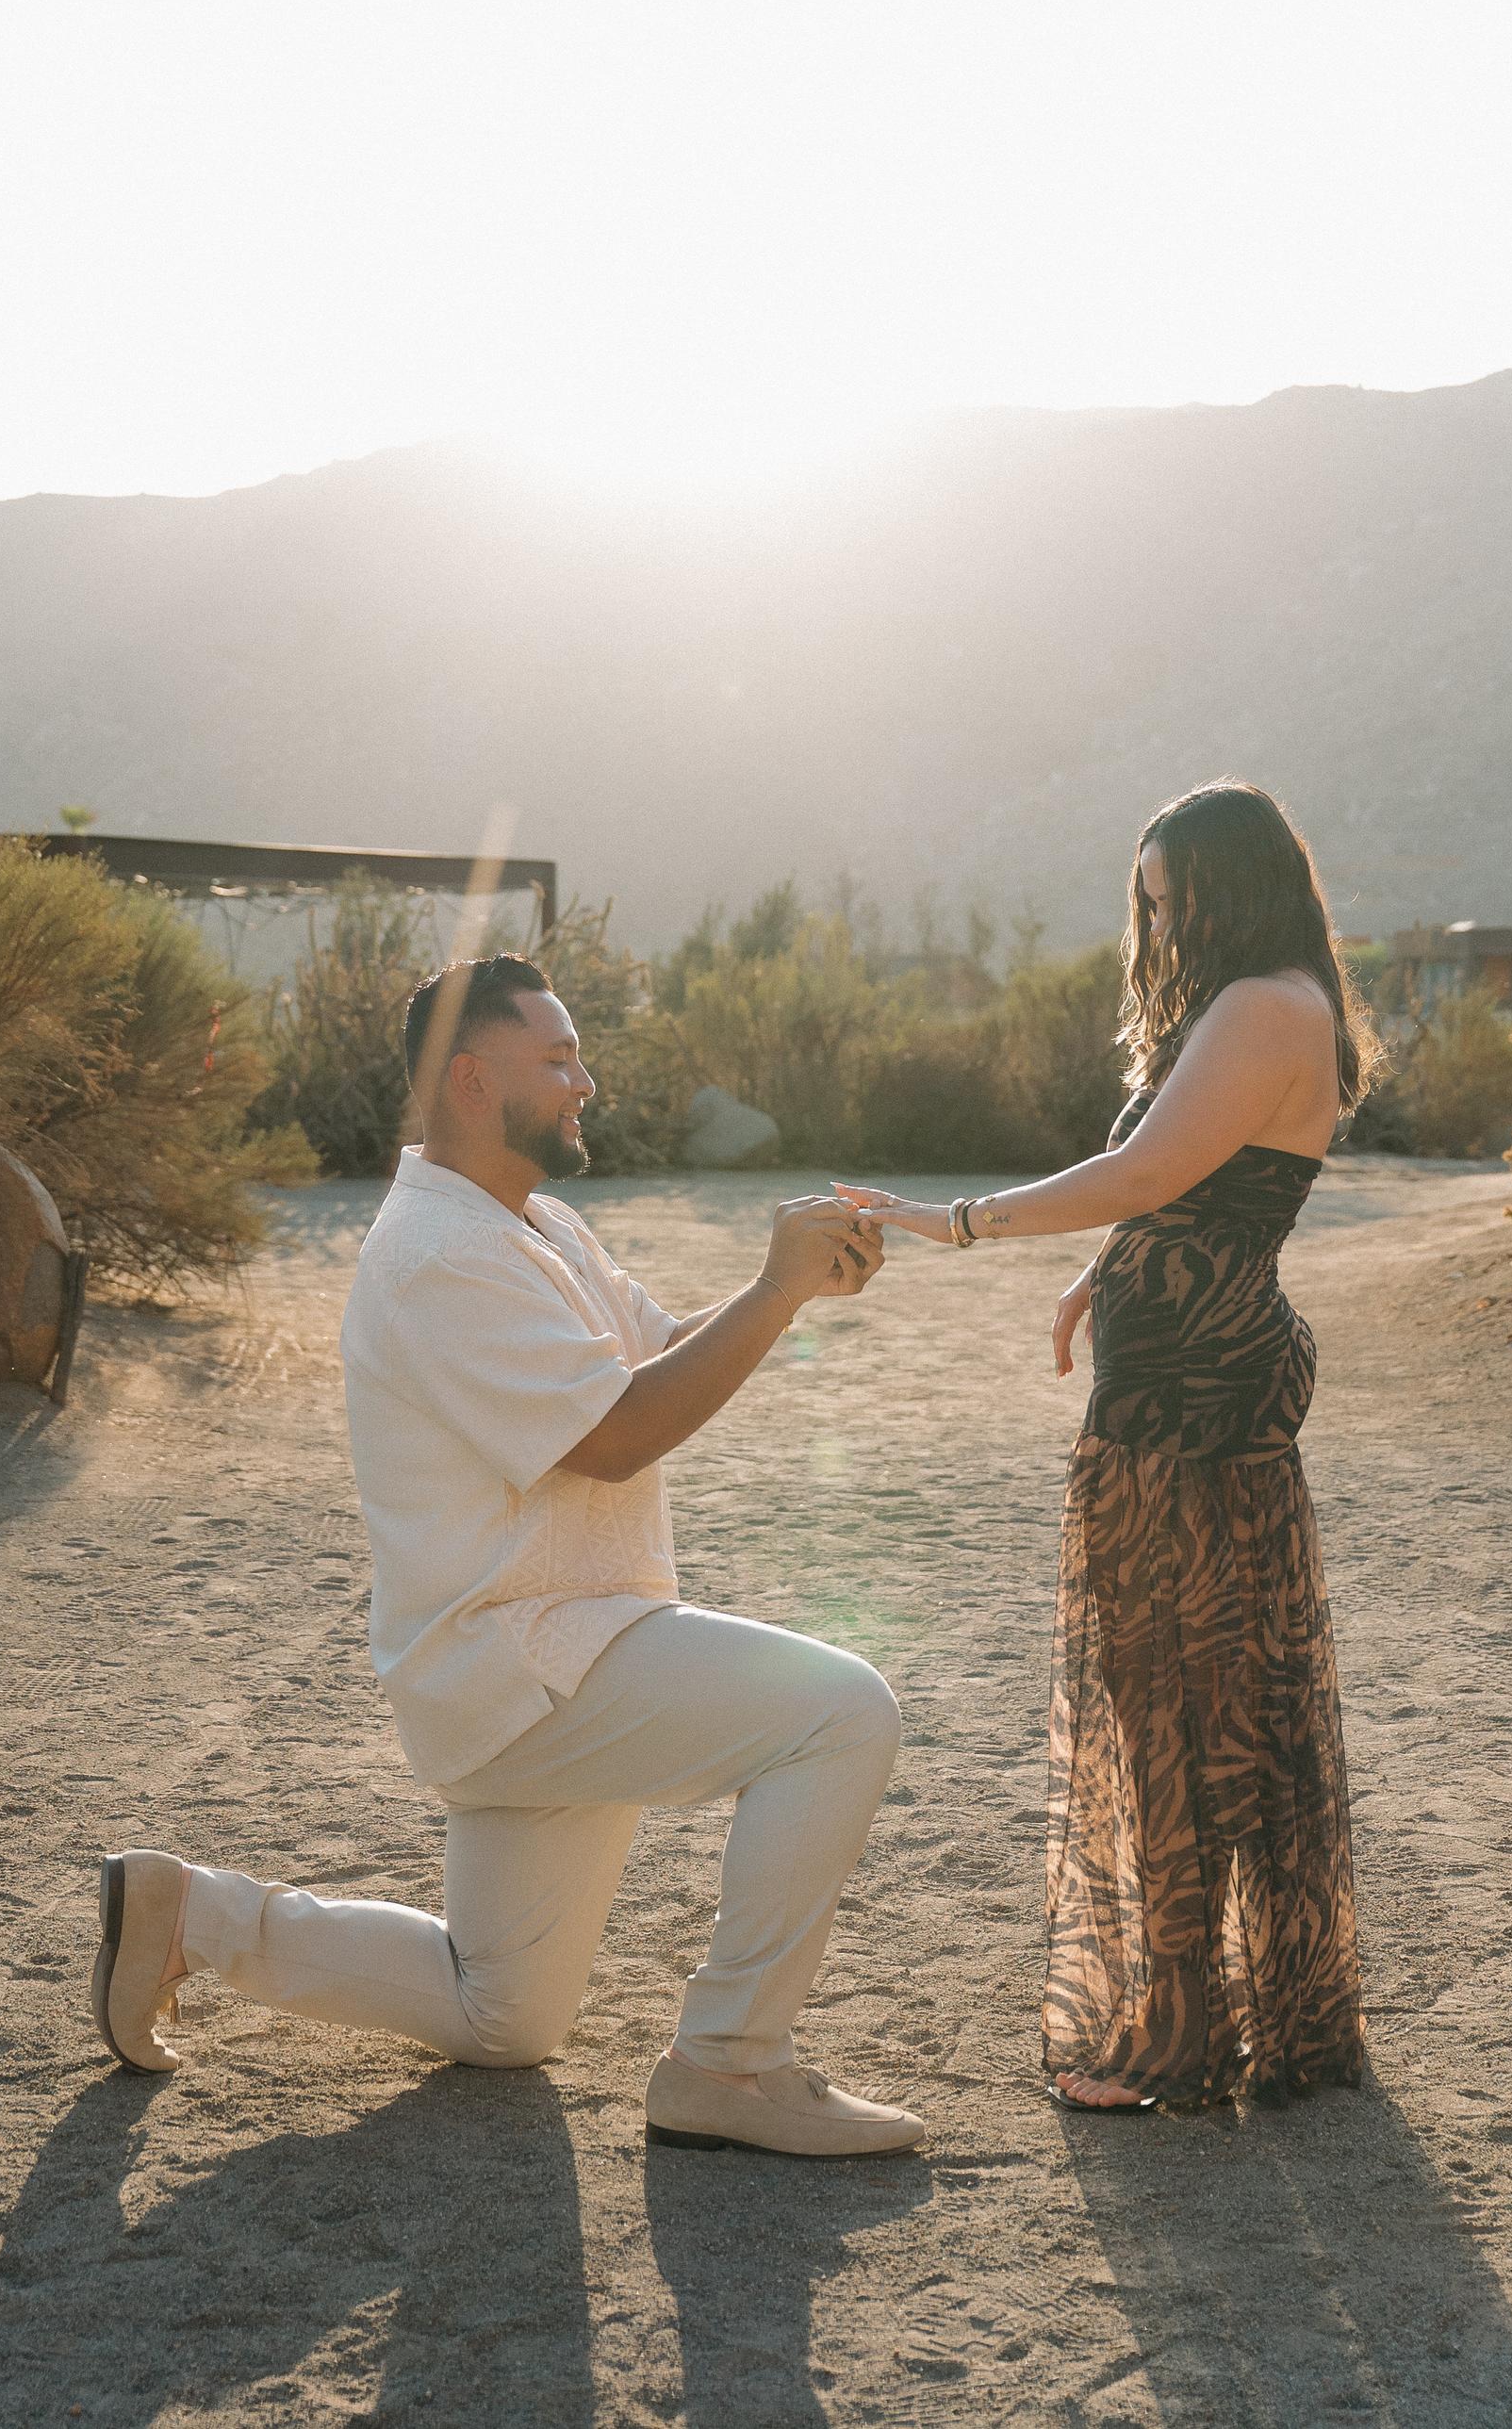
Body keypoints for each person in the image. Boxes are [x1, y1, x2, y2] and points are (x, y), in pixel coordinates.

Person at [91, 951, 926, 2158]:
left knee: (504, 2018)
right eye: (559, 1058)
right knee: (843, 1713)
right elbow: (619, 1435)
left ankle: (194, 1914)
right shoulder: (442, 1254)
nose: (585, 1080)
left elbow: (645, 1361)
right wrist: (770, 1290)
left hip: (534, 1665)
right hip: (534, 1664)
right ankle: (731, 2066)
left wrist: (784, 1287)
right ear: (472, 1083)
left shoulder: (526, 1221)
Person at [841, 780, 1370, 2112]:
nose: (1156, 921)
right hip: (1190, 1366)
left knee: (1178, 1699)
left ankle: (1177, 2035)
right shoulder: (1272, 999)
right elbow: (1195, 1186)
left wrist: (956, 1221)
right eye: (1144, 899)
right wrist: (1109, 1273)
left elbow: (1150, 1173)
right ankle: (1244, 2011)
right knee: (1203, 1691)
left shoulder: (1262, 1005)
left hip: (1198, 1392)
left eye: (1169, 894)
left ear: (1229, 883)